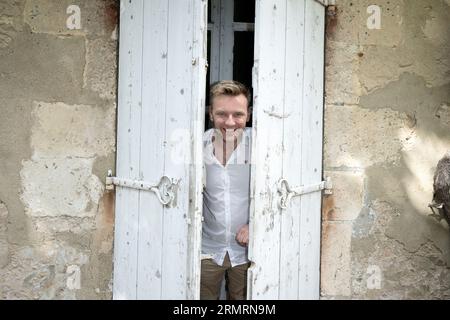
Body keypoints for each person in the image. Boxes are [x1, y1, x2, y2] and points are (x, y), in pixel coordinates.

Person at [200, 80, 252, 300]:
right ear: (211, 113)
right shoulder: (196, 146)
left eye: (238, 114)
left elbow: (278, 190)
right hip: (206, 248)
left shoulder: (263, 145)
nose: (230, 122)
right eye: (222, 114)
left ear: (248, 114)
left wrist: (256, 223)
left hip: (250, 251)